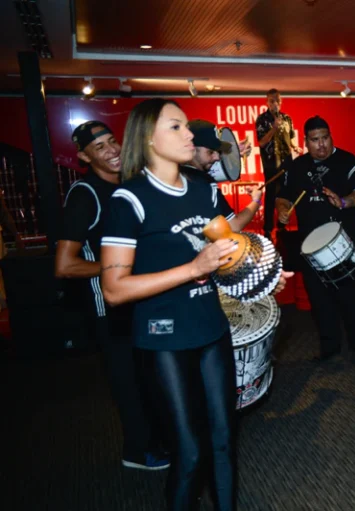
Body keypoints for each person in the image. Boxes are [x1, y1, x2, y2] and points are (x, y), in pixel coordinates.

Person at [100, 99, 289, 510]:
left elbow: (226, 238)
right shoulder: (129, 199)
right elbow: (114, 289)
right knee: (189, 453)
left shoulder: (202, 188)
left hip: (211, 328)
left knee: (224, 441)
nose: (190, 134)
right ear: (148, 138)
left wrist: (264, 269)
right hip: (163, 339)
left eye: (187, 127)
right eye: (177, 127)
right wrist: (191, 269)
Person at [55, 121, 169, 471]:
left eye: (113, 141)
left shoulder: (129, 187)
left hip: (143, 300)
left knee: (155, 375)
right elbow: (64, 265)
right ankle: (138, 452)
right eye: (100, 147)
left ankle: (160, 439)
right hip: (110, 308)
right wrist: (117, 271)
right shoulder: (85, 194)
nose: (112, 150)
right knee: (129, 382)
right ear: (83, 156)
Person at [276, 116, 355, 363]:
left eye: (325, 138)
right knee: (321, 303)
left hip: (348, 244)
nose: (321, 144)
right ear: (306, 142)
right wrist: (283, 209)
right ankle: (329, 347)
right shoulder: (296, 167)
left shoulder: (348, 161)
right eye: (315, 140)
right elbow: (283, 196)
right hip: (311, 249)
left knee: (354, 300)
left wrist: (344, 202)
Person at [186, 119, 263, 233]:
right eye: (211, 152)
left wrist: (234, 154)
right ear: (192, 149)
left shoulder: (174, 173)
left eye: (218, 151)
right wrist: (256, 201)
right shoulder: (207, 185)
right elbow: (234, 225)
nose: (217, 157)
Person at [256, 89, 300, 239]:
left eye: (277, 101)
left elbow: (291, 137)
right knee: (270, 196)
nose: (275, 104)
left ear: (281, 102)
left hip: (287, 164)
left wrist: (295, 146)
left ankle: (282, 226)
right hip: (271, 164)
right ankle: (268, 229)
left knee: (286, 195)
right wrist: (274, 128)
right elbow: (261, 143)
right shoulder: (262, 119)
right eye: (272, 101)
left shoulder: (287, 118)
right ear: (267, 102)